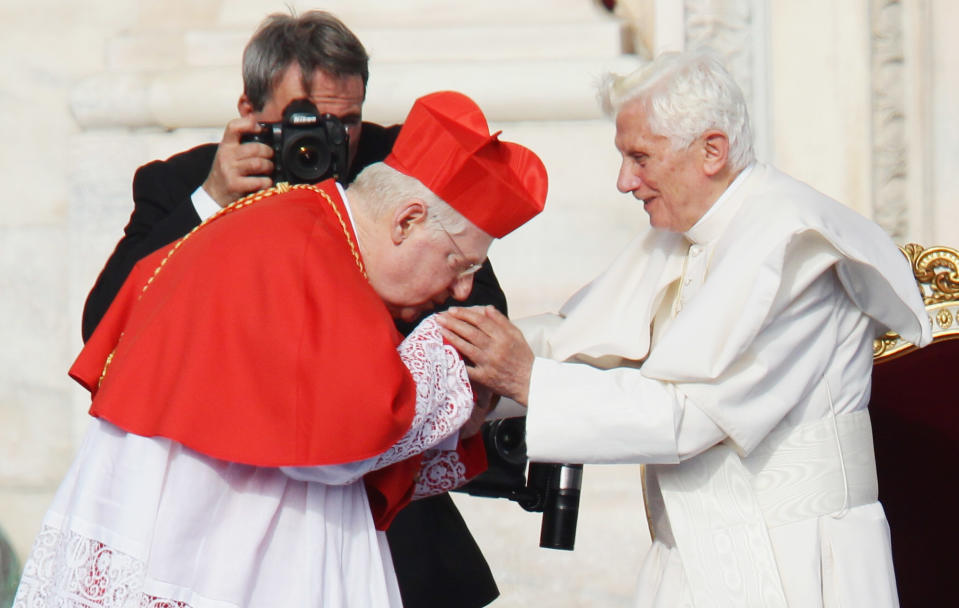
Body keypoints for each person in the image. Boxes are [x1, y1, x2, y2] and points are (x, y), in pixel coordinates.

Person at [14, 90, 548, 607]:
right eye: (460, 264)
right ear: (406, 222)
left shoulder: (303, 227)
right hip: (214, 547)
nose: (459, 291)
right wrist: (460, 369)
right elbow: (348, 435)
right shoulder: (309, 253)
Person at [439, 52, 931, 607]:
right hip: (693, 552)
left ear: (712, 152)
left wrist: (528, 381)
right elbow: (579, 341)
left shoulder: (796, 247)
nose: (625, 181)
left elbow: (690, 417)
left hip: (799, 561)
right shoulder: (684, 234)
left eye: (640, 157)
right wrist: (462, 367)